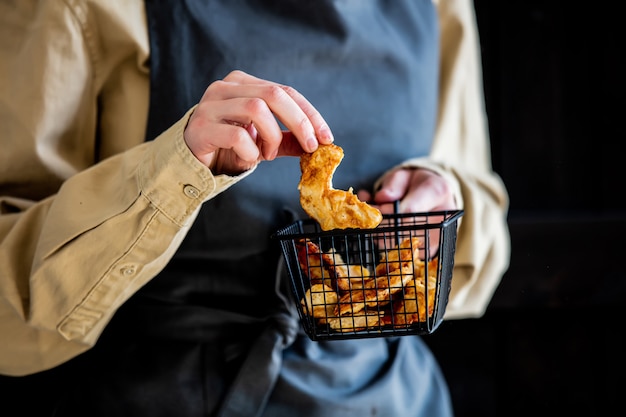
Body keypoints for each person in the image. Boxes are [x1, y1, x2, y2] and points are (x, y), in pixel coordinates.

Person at [0, 0, 510, 416]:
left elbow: (483, 239)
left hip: (392, 398)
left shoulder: (441, 6)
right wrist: (176, 167)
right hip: (162, 395)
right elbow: (9, 325)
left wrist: (443, 196)